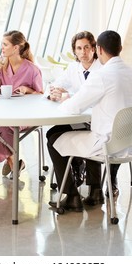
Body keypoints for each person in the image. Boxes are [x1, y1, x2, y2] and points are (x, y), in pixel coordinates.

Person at [47, 30, 132, 212]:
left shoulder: (102, 75)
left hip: (109, 144)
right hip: (131, 142)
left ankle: (72, 196)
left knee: (53, 139)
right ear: (120, 48)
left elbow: (73, 107)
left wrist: (64, 99)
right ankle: (96, 191)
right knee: (87, 131)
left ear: (97, 49)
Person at [0, 30, 43, 177]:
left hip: (25, 115)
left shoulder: (33, 70)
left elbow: (40, 95)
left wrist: (27, 89)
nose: (2, 47)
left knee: (4, 126)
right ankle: (13, 161)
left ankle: (12, 162)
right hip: (2, 113)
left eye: (5, 44)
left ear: (15, 48)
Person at [46, 31, 102, 191]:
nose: (83, 52)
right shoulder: (73, 68)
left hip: (97, 122)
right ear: (74, 51)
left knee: (91, 134)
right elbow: (53, 85)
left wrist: (69, 96)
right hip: (79, 119)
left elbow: (89, 98)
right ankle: (75, 173)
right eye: (79, 48)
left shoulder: (102, 70)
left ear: (94, 48)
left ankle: (94, 187)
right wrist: (54, 91)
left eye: (86, 48)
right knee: (52, 133)